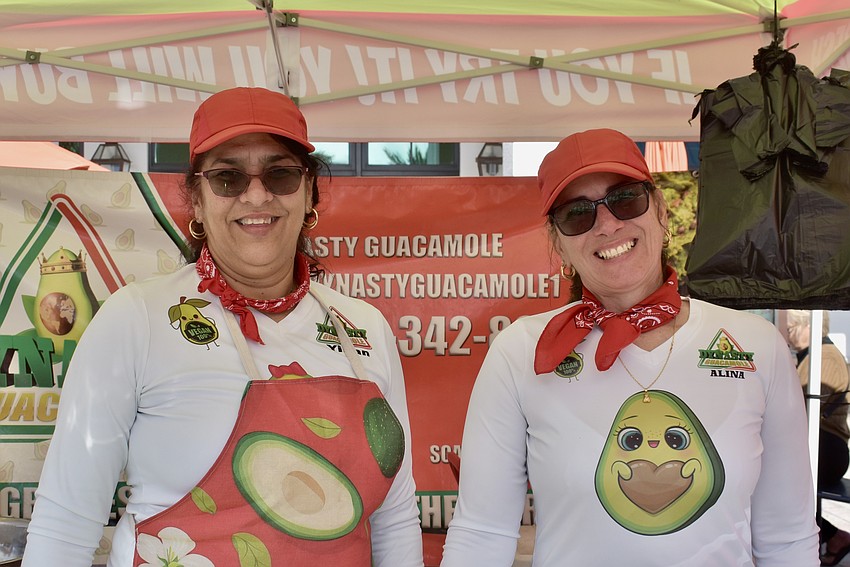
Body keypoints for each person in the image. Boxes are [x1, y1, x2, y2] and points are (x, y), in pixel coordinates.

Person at [23, 87, 424, 567]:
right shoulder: (136, 319)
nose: (256, 195)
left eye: (280, 174)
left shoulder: (365, 328)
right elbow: (65, 524)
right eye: (228, 178)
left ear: (309, 192)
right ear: (196, 199)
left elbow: (394, 521)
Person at [441, 128, 819, 566]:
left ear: (659, 210)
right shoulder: (521, 352)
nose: (607, 224)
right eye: (577, 214)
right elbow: (481, 534)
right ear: (558, 244)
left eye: (624, 199)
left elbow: (788, 540)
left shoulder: (757, 347)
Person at [787, 309, 850, 566]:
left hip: (828, 446)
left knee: (773, 474)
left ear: (809, 326)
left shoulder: (825, 357)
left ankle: (830, 537)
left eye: (791, 328)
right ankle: (830, 537)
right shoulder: (813, 356)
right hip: (820, 442)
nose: (788, 334)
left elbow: (808, 412)